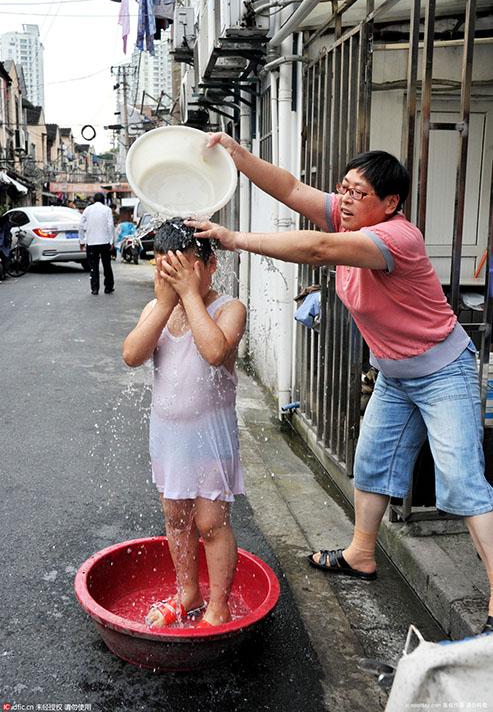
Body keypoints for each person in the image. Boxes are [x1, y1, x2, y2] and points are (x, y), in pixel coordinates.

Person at [189, 132, 493, 634]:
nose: (345, 200)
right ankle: (361, 554)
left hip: (443, 372)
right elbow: (288, 187)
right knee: (372, 464)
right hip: (396, 374)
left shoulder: (397, 237)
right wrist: (237, 156)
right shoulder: (351, 215)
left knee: (461, 483)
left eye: (359, 194)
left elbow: (318, 248)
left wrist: (233, 238)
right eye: (343, 189)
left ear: (390, 204)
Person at [122, 218, 247, 628]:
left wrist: (190, 296)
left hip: (210, 439)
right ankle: (188, 591)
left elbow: (214, 351)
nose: (172, 277)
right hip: (169, 437)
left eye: (183, 267)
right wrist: (162, 304)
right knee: (175, 519)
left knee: (211, 523)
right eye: (164, 268)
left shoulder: (228, 309)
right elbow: (132, 355)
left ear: (210, 265)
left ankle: (218, 606)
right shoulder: (156, 310)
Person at [79, 192, 115, 295]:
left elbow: (81, 225)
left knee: (93, 267)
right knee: (107, 265)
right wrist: (111, 241)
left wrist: (82, 241)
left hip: (91, 243)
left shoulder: (87, 210)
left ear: (94, 200)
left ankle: (95, 289)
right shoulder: (107, 210)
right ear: (103, 200)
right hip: (104, 242)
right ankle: (108, 287)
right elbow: (110, 226)